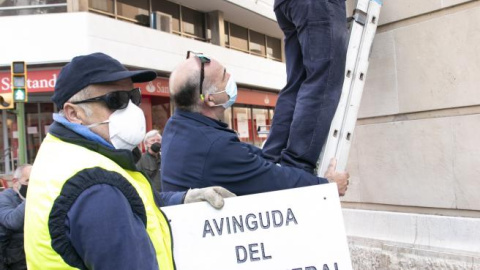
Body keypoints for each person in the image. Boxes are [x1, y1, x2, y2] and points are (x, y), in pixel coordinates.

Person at [24, 52, 235, 270]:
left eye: (133, 97)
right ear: (74, 113)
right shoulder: (97, 188)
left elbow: (132, 202)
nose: (132, 110)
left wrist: (184, 199)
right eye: (116, 100)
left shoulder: (61, 151)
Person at [161, 52, 349, 196]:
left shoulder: (178, 126)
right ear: (210, 99)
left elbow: (245, 153)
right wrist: (327, 186)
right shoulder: (214, 146)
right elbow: (276, 181)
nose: (230, 77)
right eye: (224, 76)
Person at [261, 0, 349, 174]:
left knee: (296, 84)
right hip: (316, 5)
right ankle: (296, 165)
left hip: (287, 5)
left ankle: (271, 157)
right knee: (322, 82)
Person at [0, 164, 32, 270]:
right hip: (13, 261)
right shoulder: (5, 198)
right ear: (15, 182)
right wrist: (33, 197)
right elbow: (12, 221)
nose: (32, 185)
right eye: (28, 181)